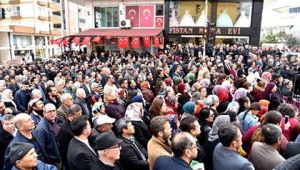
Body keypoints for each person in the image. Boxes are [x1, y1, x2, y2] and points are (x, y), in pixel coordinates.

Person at [57, 104, 82, 170]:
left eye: (80, 114)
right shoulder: (64, 130)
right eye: (78, 115)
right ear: (70, 116)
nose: (80, 117)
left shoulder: (76, 124)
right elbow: (64, 151)